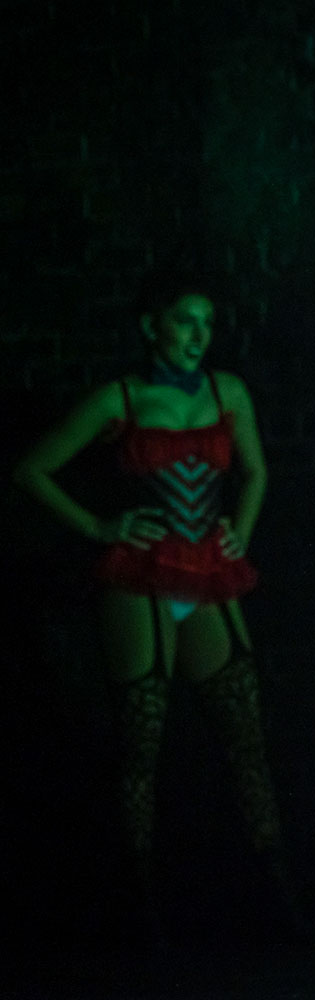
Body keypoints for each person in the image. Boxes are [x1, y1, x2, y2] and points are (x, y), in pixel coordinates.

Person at [12, 271, 286, 938]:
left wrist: (240, 533)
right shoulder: (122, 399)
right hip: (141, 577)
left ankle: (280, 903)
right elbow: (31, 470)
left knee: (245, 736)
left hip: (208, 575)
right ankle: (140, 908)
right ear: (150, 325)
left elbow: (256, 471)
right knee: (142, 738)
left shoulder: (228, 391)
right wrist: (102, 527)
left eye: (207, 323)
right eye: (185, 320)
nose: (199, 335)